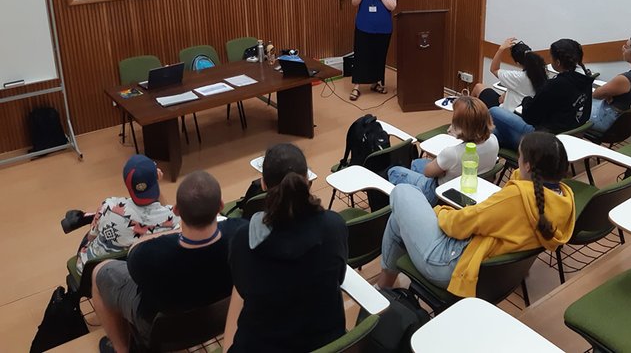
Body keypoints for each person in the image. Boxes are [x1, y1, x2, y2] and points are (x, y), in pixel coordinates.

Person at [378, 132, 575, 297]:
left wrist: (440, 211)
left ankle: (384, 286)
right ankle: (385, 285)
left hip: (451, 263)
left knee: (403, 191)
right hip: (493, 277)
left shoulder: (516, 198)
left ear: (528, 166)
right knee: (398, 218)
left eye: (520, 156)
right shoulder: (563, 200)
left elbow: (457, 226)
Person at [92, 170, 246, 353]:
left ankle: (121, 349)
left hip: (160, 329)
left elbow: (135, 249)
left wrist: (175, 231)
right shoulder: (241, 232)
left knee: (98, 271)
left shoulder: (148, 255)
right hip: (222, 316)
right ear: (220, 206)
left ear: (177, 210)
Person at [223, 143, 348, 352]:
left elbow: (244, 291)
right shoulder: (334, 225)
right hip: (327, 341)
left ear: (263, 185)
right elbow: (339, 278)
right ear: (308, 180)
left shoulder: (243, 238)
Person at [76, 154, 179, 275]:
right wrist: (155, 183)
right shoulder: (171, 221)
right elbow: (163, 210)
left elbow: (91, 237)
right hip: (131, 277)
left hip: (89, 272)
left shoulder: (109, 206)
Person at [387, 96, 499, 205]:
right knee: (416, 164)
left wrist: (441, 165)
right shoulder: (494, 141)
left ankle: (406, 199)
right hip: (470, 184)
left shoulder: (452, 153)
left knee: (394, 171)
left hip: (438, 192)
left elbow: (428, 172)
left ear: (461, 127)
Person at [490, 38, 594, 150]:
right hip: (568, 135)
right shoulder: (585, 80)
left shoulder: (556, 85)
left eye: (551, 57)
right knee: (496, 132)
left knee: (494, 111)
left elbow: (530, 116)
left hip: (543, 138)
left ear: (558, 62)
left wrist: (526, 100)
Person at [349, 0, 397, 101]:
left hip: (383, 30)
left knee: (378, 57)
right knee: (361, 56)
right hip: (364, 27)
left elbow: (392, 6)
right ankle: (356, 87)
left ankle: (375, 83)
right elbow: (354, 2)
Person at [472, 37, 548, 112]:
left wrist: (501, 49)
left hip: (506, 113)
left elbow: (494, 69)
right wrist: (506, 92)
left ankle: (466, 116)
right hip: (524, 112)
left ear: (518, 63)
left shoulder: (518, 77)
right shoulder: (542, 73)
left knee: (478, 87)